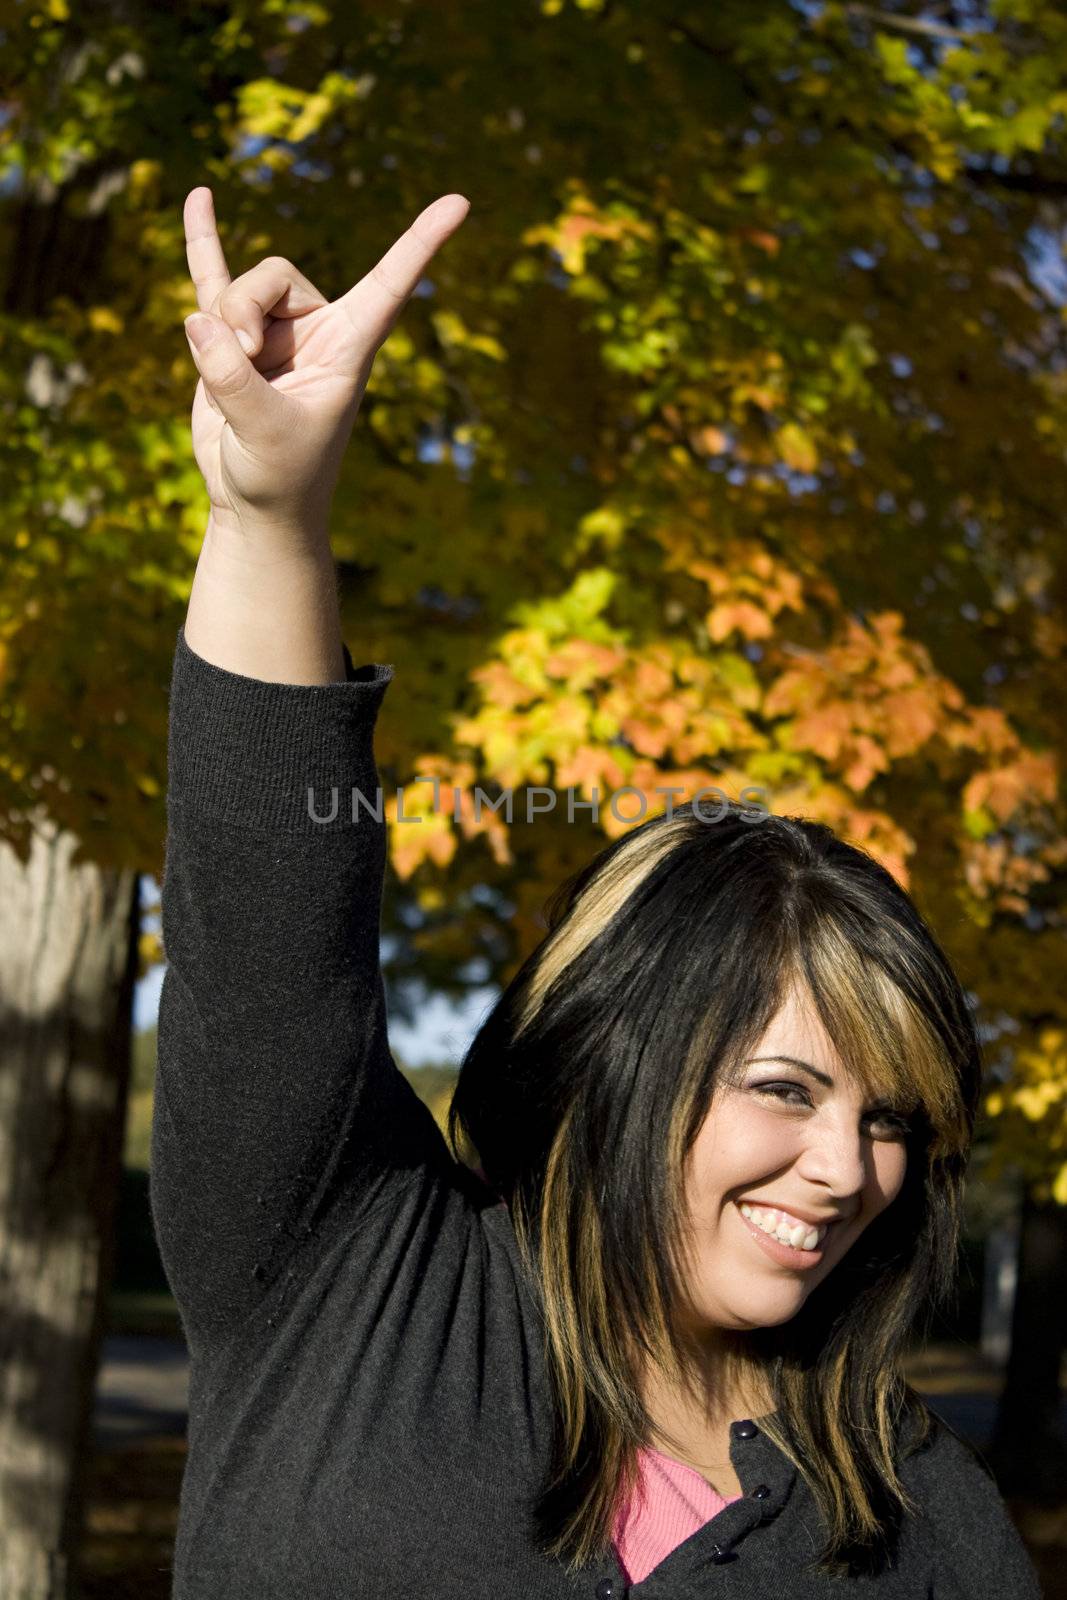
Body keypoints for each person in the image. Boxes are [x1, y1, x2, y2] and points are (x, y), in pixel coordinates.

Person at [152, 185, 1044, 1598]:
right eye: (784, 1089)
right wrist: (270, 522)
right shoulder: (350, 1266)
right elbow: (265, 917)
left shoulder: (928, 1523)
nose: (844, 1171)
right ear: (621, 1056)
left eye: (888, 1119)